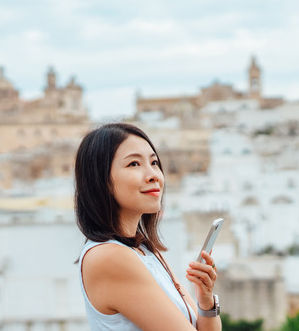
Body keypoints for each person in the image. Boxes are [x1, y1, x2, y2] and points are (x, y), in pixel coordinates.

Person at [75, 123, 222, 331]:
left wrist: (206, 302)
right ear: (100, 179)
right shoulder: (110, 257)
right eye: (134, 164)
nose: (153, 174)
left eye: (154, 162)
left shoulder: (144, 251)